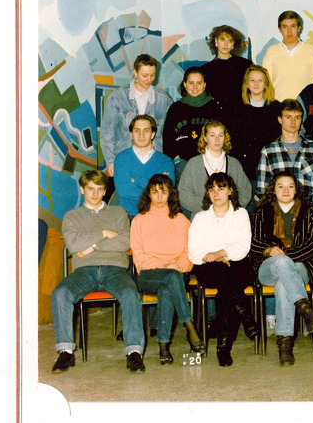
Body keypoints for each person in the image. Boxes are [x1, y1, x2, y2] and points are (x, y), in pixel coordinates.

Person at [50, 170, 145, 374]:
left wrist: (93, 246)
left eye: (99, 189)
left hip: (115, 270)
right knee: (60, 292)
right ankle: (65, 352)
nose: (95, 194)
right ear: (82, 190)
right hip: (84, 271)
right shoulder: (72, 216)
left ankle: (134, 352)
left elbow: (125, 242)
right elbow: (74, 244)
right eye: (90, 189)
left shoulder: (118, 213)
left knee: (130, 293)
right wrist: (104, 233)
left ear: (105, 191)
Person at [130, 174, 205, 364]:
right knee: (171, 278)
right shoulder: (139, 220)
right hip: (148, 274)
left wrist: (178, 266)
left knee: (167, 288)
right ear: (148, 194)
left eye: (163, 192)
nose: (159, 197)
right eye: (155, 192)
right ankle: (189, 327)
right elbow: (139, 257)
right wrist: (164, 266)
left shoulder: (181, 220)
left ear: (170, 194)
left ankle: (163, 346)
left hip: (177, 272)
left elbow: (189, 251)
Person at [250, 172, 313, 366]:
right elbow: (253, 243)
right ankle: (305, 308)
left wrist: (286, 256)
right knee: (281, 263)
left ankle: (285, 346)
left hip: (301, 267)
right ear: (273, 190)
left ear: (296, 189)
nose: (285, 190)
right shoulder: (261, 211)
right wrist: (268, 250)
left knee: (284, 284)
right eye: (280, 186)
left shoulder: (310, 211)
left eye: (290, 186)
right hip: (268, 268)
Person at [188, 173, 254, 367]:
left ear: (230, 191)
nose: (216, 193)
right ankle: (244, 313)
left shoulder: (241, 214)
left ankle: (223, 345)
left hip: (236, 265)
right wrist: (215, 257)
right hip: (208, 268)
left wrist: (221, 252)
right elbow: (193, 252)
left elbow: (243, 246)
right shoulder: (200, 218)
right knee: (226, 278)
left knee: (227, 288)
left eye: (221, 188)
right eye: (212, 189)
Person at [100, 54, 172, 177]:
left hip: (153, 162)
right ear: (135, 73)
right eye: (145, 75)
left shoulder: (163, 99)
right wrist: (110, 161)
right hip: (125, 161)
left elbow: (169, 134)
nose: (149, 79)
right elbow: (108, 133)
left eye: (152, 75)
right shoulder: (117, 97)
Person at [255, 99, 313, 209]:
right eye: (288, 117)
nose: (293, 122)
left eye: (297, 117)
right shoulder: (268, 151)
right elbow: (262, 192)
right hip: (278, 211)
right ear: (280, 119)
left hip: (307, 208)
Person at [178, 120, 252, 218]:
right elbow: (183, 194)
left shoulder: (234, 164)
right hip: (202, 218)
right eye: (212, 135)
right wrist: (208, 207)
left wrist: (229, 208)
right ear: (205, 138)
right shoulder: (193, 164)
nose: (217, 140)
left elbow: (245, 192)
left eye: (220, 135)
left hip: (230, 218)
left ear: (225, 137)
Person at [162, 67, 224, 179]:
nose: (195, 87)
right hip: (182, 165)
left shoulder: (215, 107)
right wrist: (176, 160)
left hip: (210, 163)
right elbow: (167, 138)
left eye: (199, 83)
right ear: (185, 84)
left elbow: (222, 136)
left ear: (204, 85)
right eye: (191, 83)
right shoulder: (175, 108)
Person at [227, 65, 281, 189]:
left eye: (260, 80)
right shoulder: (236, 108)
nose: (256, 84)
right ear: (247, 84)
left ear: (266, 84)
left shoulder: (276, 108)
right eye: (252, 80)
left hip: (270, 166)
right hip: (245, 167)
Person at [113, 115, 175, 218]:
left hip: (157, 216)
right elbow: (123, 190)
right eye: (137, 131)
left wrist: (136, 180)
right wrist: (154, 187)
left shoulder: (165, 161)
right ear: (131, 134)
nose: (141, 135)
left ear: (153, 134)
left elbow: (166, 191)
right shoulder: (121, 158)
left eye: (146, 131)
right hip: (128, 215)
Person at [261, 10, 313, 101]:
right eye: (285, 27)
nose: (289, 31)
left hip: (305, 106)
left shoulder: (312, 50)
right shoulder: (271, 52)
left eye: (293, 26)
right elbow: (266, 83)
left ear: (299, 28)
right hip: (279, 105)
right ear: (280, 29)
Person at [199, 25, 253, 108]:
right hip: (215, 112)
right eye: (222, 39)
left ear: (233, 44)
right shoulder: (205, 69)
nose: (226, 44)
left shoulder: (245, 65)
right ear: (216, 41)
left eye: (230, 41)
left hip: (241, 111)